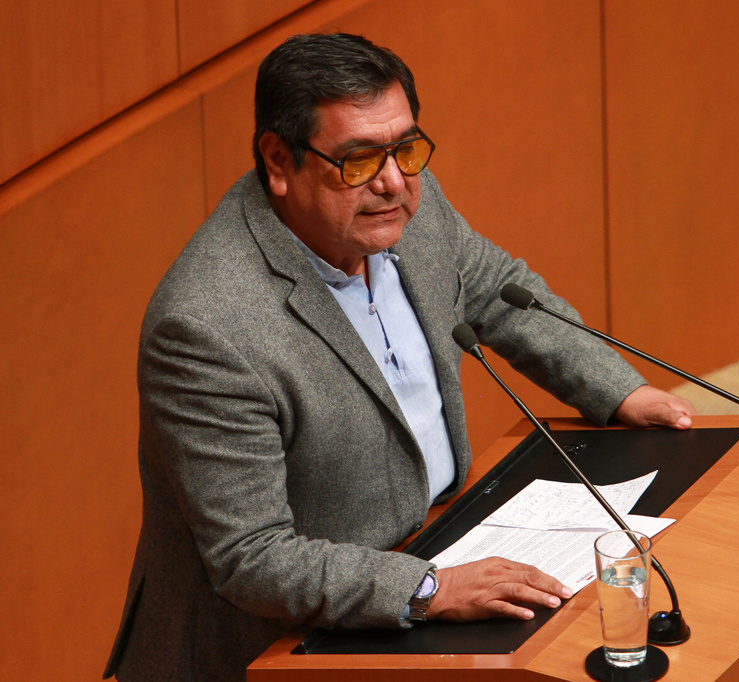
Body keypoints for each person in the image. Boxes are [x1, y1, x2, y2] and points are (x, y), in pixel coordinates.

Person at [103, 32, 695, 681]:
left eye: (406, 148)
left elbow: (495, 289)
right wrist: (429, 588)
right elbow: (252, 556)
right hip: (276, 648)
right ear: (278, 160)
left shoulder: (405, 196)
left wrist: (618, 390)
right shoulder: (206, 327)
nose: (392, 183)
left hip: (436, 544)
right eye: (357, 160)